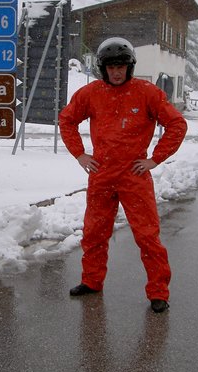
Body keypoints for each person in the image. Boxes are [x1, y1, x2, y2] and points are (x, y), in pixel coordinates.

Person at [59, 37, 187, 313]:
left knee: (147, 236)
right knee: (94, 233)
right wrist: (80, 154)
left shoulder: (147, 92)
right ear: (102, 68)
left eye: (121, 66)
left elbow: (176, 124)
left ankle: (158, 292)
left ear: (130, 67)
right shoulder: (90, 93)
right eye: (110, 67)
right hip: (101, 175)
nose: (116, 72)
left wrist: (155, 159)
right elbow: (67, 119)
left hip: (134, 176)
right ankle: (92, 281)